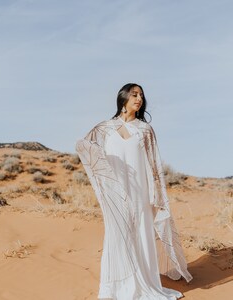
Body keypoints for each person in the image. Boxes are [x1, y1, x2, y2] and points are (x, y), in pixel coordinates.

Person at [76, 83, 193, 300]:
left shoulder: (145, 130)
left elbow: (155, 165)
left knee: (141, 233)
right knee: (117, 236)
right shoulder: (104, 129)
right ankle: (117, 287)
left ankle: (145, 284)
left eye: (141, 95)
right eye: (134, 94)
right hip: (115, 193)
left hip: (140, 191)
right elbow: (85, 148)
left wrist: (156, 195)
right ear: (123, 98)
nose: (139, 98)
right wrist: (103, 179)